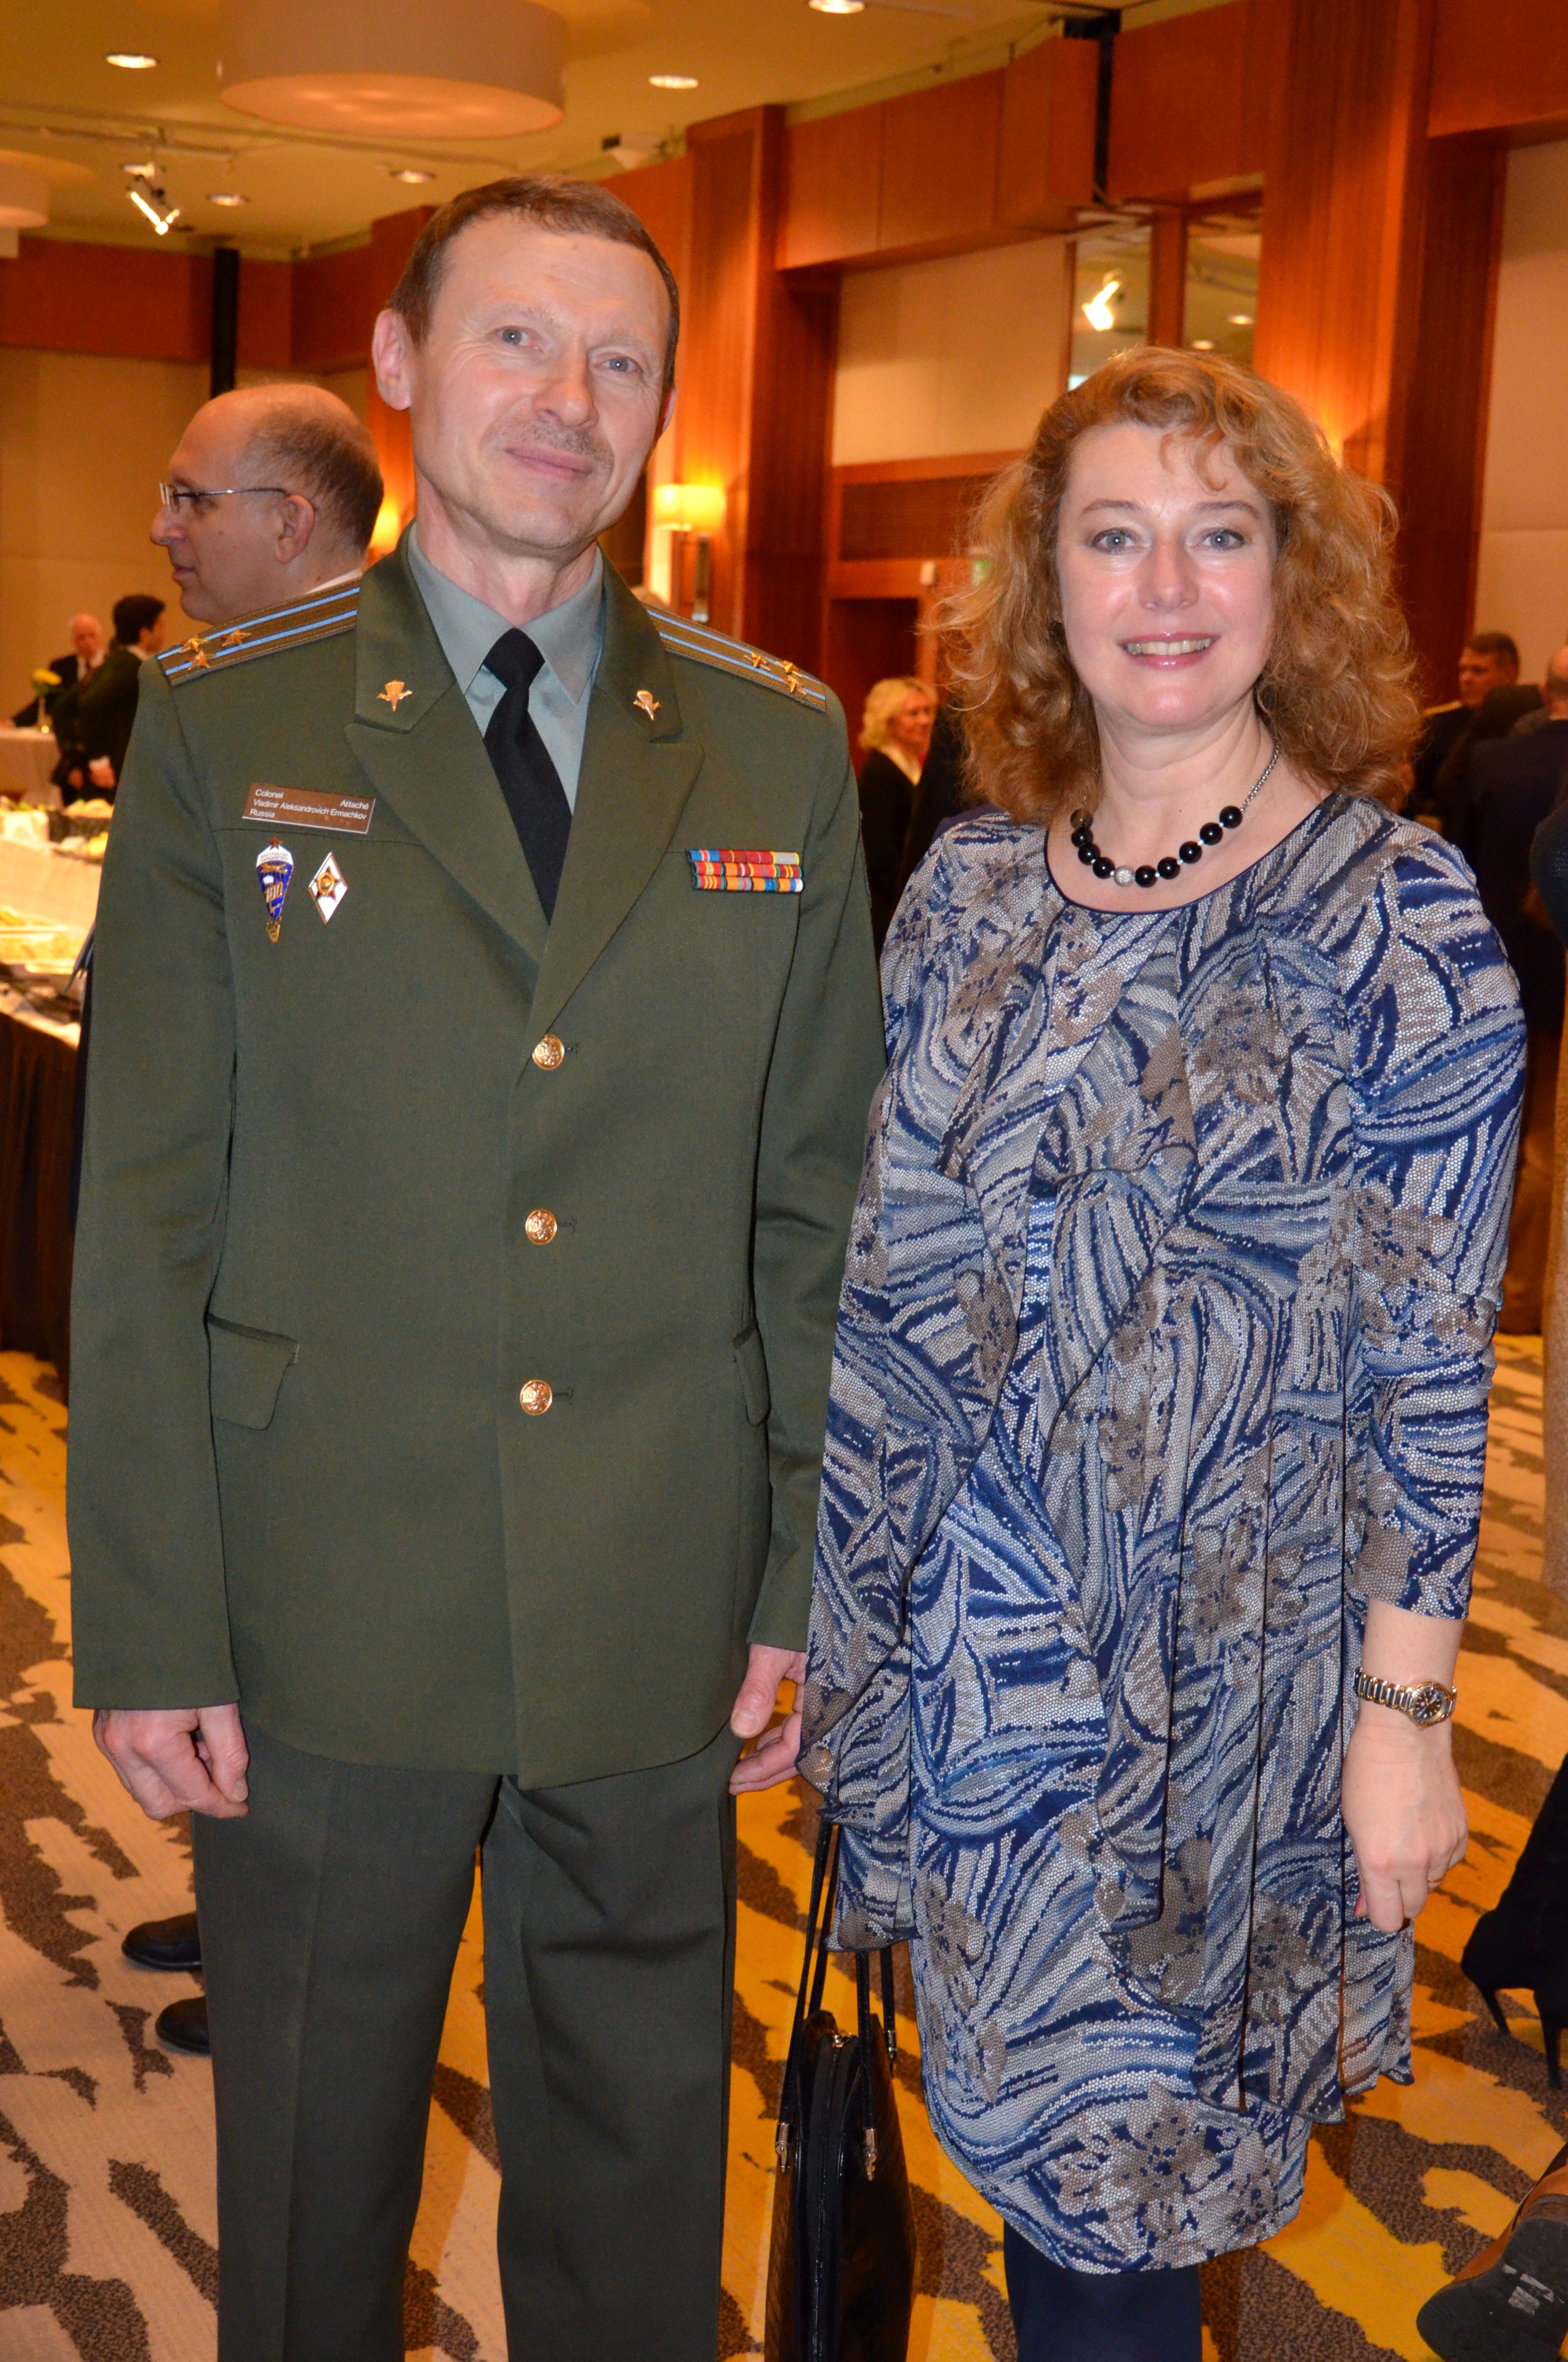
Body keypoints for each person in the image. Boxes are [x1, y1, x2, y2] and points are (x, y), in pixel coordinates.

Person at [69, 172, 883, 2362]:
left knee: (637, 2203)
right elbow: (145, 1207)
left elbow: (815, 1201)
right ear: (404, 365)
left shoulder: (776, 741)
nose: (568, 397)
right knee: (312, 2184)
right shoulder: (228, 725)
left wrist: (798, 1567)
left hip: (653, 1588)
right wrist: (150, 1615)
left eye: (621, 359)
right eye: (518, 337)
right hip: (320, 1586)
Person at [796, 348, 1524, 2362]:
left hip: (1212, 1707)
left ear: (1295, 578)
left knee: (1117, 2230)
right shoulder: (963, 891)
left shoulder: (1400, 921)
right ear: (1046, 584)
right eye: (1112, 537)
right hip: (956, 1676)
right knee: (1022, 2181)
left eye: (1220, 535)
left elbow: (1426, 1371)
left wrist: (1402, 1717)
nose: (1167, 588)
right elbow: (882, 1292)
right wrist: (813, 1622)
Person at [115, 381, 384, 2057]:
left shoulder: (389, 707)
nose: (164, 528)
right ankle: (242, 1903)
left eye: (192, 498)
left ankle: (279, 1935)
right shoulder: (215, 701)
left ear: (293, 518)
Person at [1456, 645, 1568, 1332]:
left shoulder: (1491, 761)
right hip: (1555, 974)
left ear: (1542, 690)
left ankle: (1468, 1280)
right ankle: (1522, 1296)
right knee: (1544, 1148)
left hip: (1484, 968)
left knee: (1481, 1133)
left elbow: (1458, 861)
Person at [51, 593, 164, 797]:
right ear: (145, 632)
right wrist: (98, 760)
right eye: (160, 625)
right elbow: (89, 705)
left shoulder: (117, 661)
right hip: (115, 774)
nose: (164, 632)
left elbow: (63, 707)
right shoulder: (129, 667)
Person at [1407, 631, 1521, 827]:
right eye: (1463, 670)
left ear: (1509, 674)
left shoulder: (1525, 725)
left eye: (1478, 671)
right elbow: (1417, 789)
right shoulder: (1440, 724)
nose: (1466, 679)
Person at [857, 674, 933, 946]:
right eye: (914, 713)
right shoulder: (880, 774)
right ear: (888, 720)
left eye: (928, 711)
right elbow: (881, 858)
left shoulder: (909, 767)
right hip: (887, 914)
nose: (925, 721)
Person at [10, 611, 103, 728]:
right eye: (82, 637)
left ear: (100, 637)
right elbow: (45, 702)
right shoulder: (61, 667)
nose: (88, 642)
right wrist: (12, 723)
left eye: (92, 636)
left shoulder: (111, 665)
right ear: (73, 641)